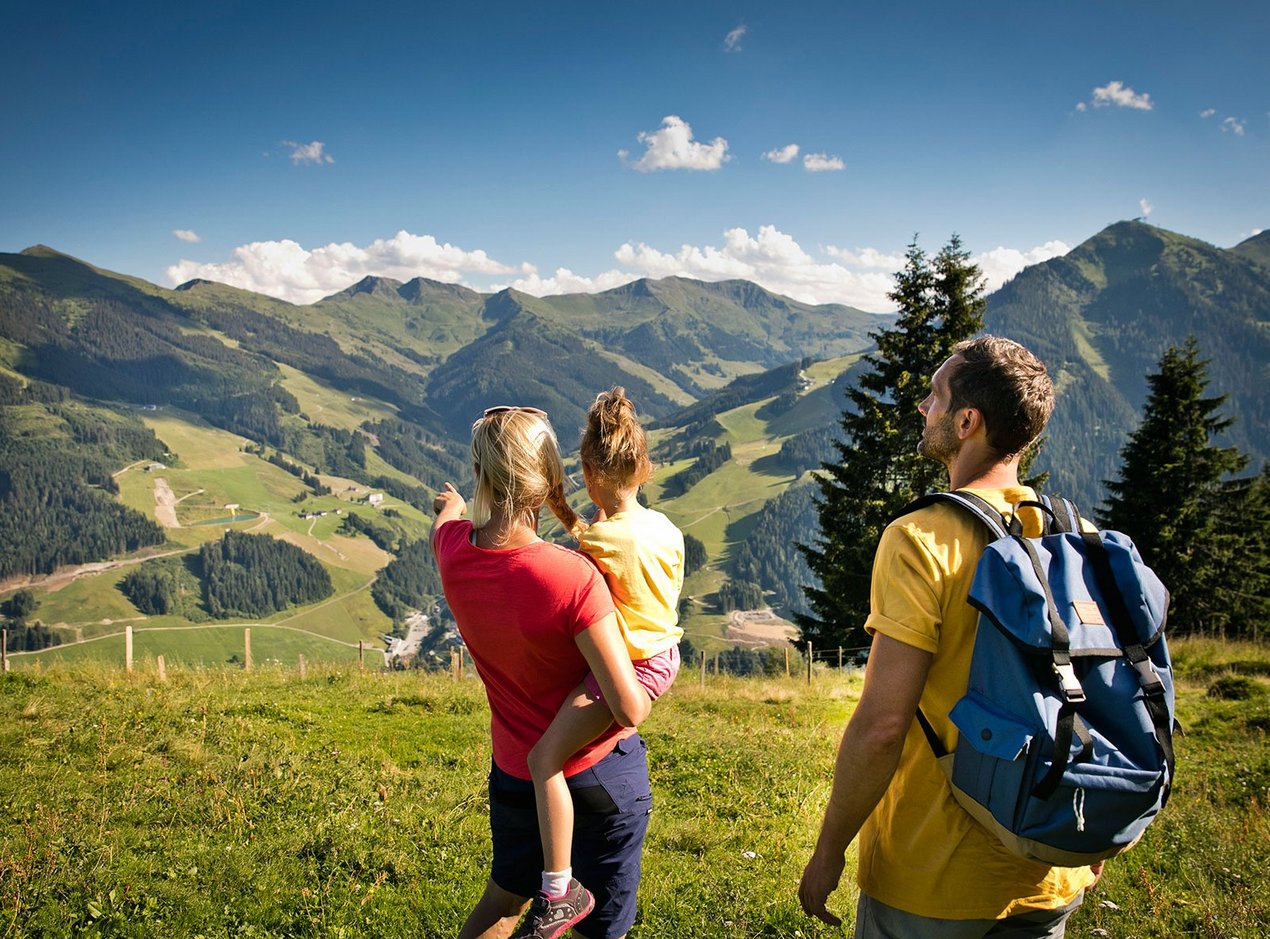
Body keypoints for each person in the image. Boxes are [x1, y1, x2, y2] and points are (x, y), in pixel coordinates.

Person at [798, 336, 1100, 938]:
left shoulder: (920, 539)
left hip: (931, 876)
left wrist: (829, 852)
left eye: (935, 397)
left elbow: (883, 726)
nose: (922, 408)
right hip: (1049, 865)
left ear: (967, 421)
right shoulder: (1075, 535)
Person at [432, 405, 652, 939]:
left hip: (513, 769)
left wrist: (452, 505)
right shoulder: (571, 576)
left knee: (504, 903)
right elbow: (629, 706)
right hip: (597, 771)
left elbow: (445, 520)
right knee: (598, 929)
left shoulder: (450, 551)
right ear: (549, 478)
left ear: (482, 474)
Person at [525, 388, 684, 937]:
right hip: (664, 654)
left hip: (631, 671)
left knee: (543, 758)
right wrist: (567, 510)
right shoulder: (664, 528)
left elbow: (575, 571)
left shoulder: (594, 546)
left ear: (589, 471)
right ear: (643, 469)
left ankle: (558, 889)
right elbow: (608, 543)